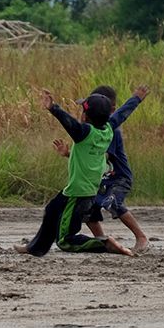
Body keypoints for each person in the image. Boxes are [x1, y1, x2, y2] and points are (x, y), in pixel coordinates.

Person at [16, 90, 133, 257]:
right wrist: (136, 99)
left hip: (77, 194)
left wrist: (54, 108)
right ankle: (35, 248)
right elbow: (122, 114)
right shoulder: (108, 129)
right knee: (52, 209)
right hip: (85, 190)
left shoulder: (84, 133)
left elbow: (69, 123)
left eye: (82, 110)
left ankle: (104, 244)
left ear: (85, 116)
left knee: (65, 241)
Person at [79, 84, 150, 253]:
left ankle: (141, 236)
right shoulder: (94, 131)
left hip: (119, 177)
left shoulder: (111, 131)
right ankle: (102, 240)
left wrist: (135, 99)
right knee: (88, 207)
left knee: (112, 203)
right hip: (103, 178)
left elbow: (100, 156)